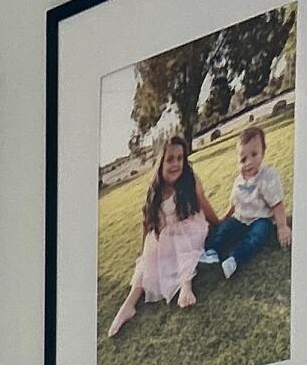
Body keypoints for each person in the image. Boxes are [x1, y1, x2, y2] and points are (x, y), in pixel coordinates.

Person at [105, 137, 219, 343]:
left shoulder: (190, 181)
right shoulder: (155, 191)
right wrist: (144, 253)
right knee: (148, 260)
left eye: (179, 158)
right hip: (166, 235)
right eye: (170, 159)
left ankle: (186, 286)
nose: (175, 164)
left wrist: (218, 222)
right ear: (161, 163)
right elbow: (147, 224)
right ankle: (129, 303)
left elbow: (204, 204)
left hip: (190, 228)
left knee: (184, 246)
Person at [205, 124, 291, 278]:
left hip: (260, 219)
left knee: (258, 235)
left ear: (263, 152)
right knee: (224, 229)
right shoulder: (239, 180)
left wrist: (282, 227)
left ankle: (235, 259)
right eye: (243, 159)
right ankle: (212, 251)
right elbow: (234, 203)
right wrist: (224, 219)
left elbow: (277, 204)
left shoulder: (267, 176)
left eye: (254, 154)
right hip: (240, 218)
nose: (249, 162)